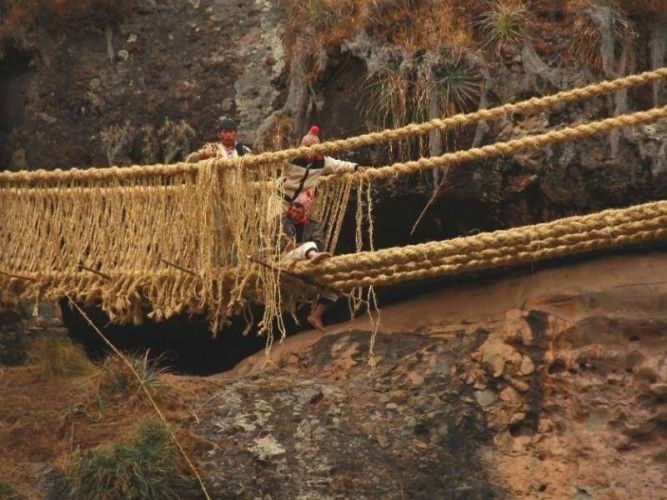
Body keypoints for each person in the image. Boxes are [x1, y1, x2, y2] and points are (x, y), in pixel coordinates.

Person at [281, 189, 337, 331]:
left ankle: (316, 316)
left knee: (335, 284)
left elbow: (320, 244)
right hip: (286, 260)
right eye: (294, 205)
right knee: (310, 246)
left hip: (306, 263)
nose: (294, 209)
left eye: (299, 207)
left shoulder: (314, 225)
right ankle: (312, 256)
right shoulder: (280, 220)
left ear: (306, 210)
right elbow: (274, 242)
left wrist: (298, 246)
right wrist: (289, 246)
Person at [281, 125, 364, 206]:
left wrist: (355, 167)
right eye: (307, 146)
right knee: (277, 219)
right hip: (282, 199)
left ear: (318, 149)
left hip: (300, 205)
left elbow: (338, 165)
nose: (310, 151)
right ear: (301, 147)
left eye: (314, 148)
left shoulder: (322, 162)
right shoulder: (291, 158)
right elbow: (276, 161)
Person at [186, 116, 251, 162]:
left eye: (231, 131)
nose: (228, 135)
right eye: (225, 132)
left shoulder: (243, 150)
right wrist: (202, 155)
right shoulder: (212, 149)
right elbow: (190, 162)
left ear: (236, 134)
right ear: (219, 135)